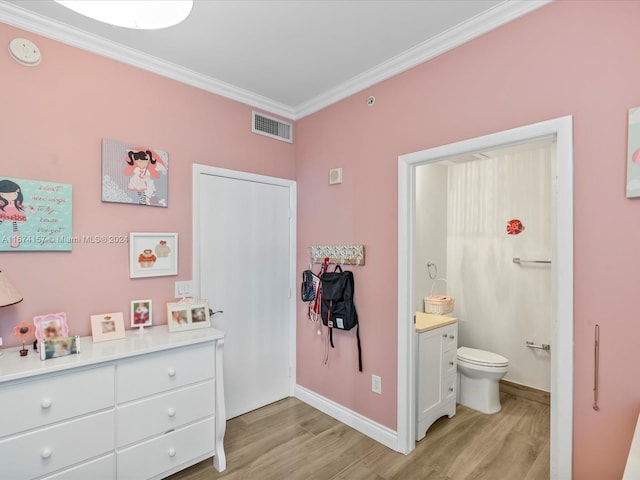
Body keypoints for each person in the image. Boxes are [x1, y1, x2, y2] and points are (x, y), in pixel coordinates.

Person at [0, 179, 34, 248]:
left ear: (17, 193)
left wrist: (30, 210)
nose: (9, 196)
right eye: (3, 194)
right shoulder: (2, 202)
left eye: (13, 194)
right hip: (3, 212)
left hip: (14, 214)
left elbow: (22, 207)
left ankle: (16, 241)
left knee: (15, 227)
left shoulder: (16, 203)